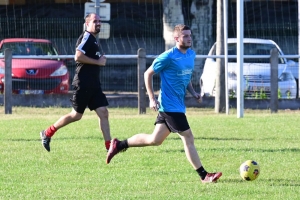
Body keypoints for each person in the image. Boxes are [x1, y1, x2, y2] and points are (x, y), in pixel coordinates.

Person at [106, 24, 222, 183]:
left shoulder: (191, 55)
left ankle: (119, 145)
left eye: (190, 35)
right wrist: (152, 98)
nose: (189, 39)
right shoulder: (168, 56)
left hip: (178, 105)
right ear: (176, 39)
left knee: (155, 140)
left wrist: (193, 92)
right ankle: (204, 175)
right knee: (188, 137)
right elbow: (148, 74)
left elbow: (185, 78)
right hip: (169, 106)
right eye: (185, 36)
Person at [40, 13, 112, 152]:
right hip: (84, 83)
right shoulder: (87, 37)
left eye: (99, 21)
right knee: (76, 115)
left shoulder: (93, 39)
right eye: (95, 21)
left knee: (103, 112)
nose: (98, 23)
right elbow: (78, 56)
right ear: (87, 24)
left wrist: (99, 60)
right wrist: (98, 61)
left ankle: (109, 147)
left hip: (93, 85)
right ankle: (47, 133)